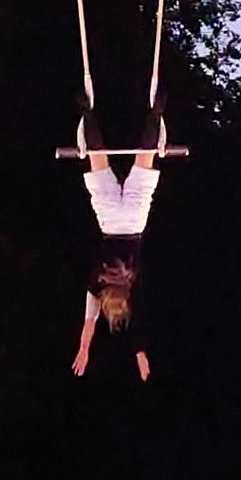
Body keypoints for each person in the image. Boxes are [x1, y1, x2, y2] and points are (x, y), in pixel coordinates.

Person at [71, 107, 163, 383]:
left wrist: (141, 355)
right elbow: (89, 323)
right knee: (97, 158)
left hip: (134, 222)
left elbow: (139, 326)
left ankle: (156, 112)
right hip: (109, 222)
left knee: (145, 157)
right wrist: (83, 349)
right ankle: (87, 112)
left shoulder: (134, 288)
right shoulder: (96, 288)